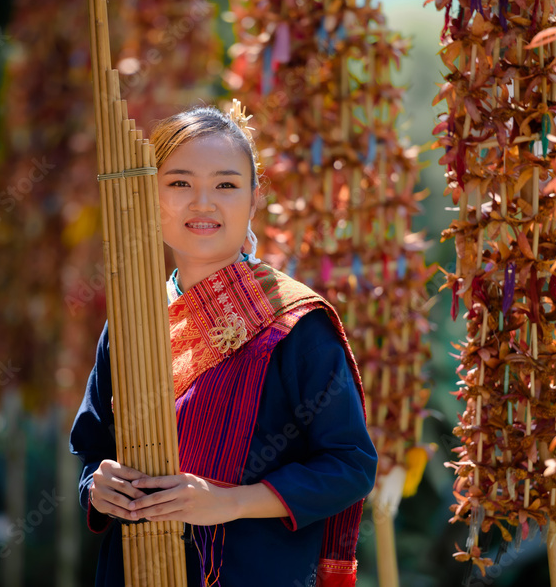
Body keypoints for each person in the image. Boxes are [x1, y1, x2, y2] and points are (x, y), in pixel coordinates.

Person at [69, 101, 378, 587]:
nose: (203, 202)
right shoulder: (132, 321)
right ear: (152, 197)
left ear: (254, 200)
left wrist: (228, 502)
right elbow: (92, 452)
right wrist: (98, 488)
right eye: (180, 183)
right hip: (133, 572)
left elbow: (350, 464)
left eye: (226, 185)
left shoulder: (293, 324)